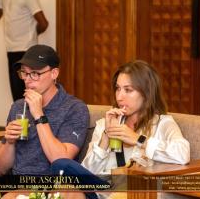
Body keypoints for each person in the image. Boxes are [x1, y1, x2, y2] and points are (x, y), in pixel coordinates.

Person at [51, 60, 190, 198]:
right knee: (62, 168)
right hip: (101, 192)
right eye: (118, 88)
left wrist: (138, 139)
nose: (119, 96)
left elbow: (182, 154)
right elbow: (86, 173)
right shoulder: (104, 123)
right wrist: (105, 137)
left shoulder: (162, 123)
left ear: (146, 93)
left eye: (128, 90)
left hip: (133, 191)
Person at [0, 44, 89, 176]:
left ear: (54, 73)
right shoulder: (18, 106)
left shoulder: (75, 108)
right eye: (24, 73)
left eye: (34, 73)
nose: (27, 80)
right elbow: (2, 168)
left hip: (52, 186)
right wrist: (10, 142)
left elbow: (61, 160)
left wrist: (39, 115)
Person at [0, 0, 49, 101]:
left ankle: (35, 116)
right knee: (17, 96)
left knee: (30, 94)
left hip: (27, 51)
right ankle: (22, 117)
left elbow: (43, 23)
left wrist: (32, 37)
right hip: (12, 51)